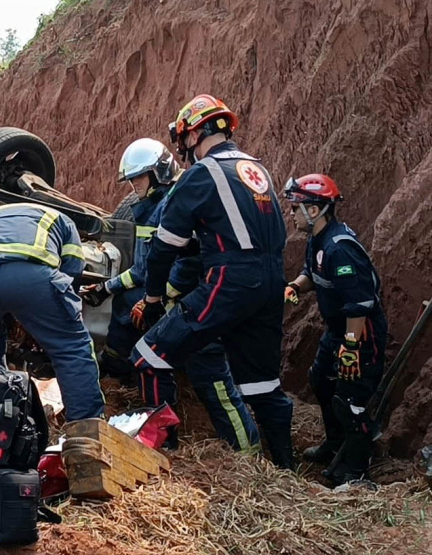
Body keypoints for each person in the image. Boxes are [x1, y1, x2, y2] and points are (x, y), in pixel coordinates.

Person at [128, 94, 295, 468]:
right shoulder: (256, 169)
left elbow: (163, 249)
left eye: (184, 138)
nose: (184, 148)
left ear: (195, 134)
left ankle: (163, 454)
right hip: (271, 283)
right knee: (261, 385)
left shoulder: (201, 174)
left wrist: (154, 300)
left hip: (230, 280)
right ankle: (286, 469)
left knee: (148, 358)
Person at [82, 139, 259, 452]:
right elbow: (142, 270)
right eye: (131, 179)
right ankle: (162, 436)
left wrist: (157, 298)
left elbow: (190, 261)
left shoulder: (175, 203)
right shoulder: (150, 209)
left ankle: (247, 453)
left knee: (211, 378)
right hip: (178, 304)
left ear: (158, 173)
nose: (133, 184)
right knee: (143, 350)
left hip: (199, 304)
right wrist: (105, 288)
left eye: (138, 177)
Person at [0, 203, 106, 421]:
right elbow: (72, 273)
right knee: (70, 347)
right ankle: (86, 428)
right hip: (29, 275)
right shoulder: (64, 221)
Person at [284, 174, 387, 484]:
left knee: (350, 401)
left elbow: (360, 303)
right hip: (338, 331)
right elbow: (311, 273)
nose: (292, 214)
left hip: (360, 334)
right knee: (320, 380)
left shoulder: (339, 249)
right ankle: (335, 444)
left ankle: (356, 469)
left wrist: (352, 347)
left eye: (295, 208)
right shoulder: (318, 240)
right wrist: (296, 287)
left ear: (314, 210)